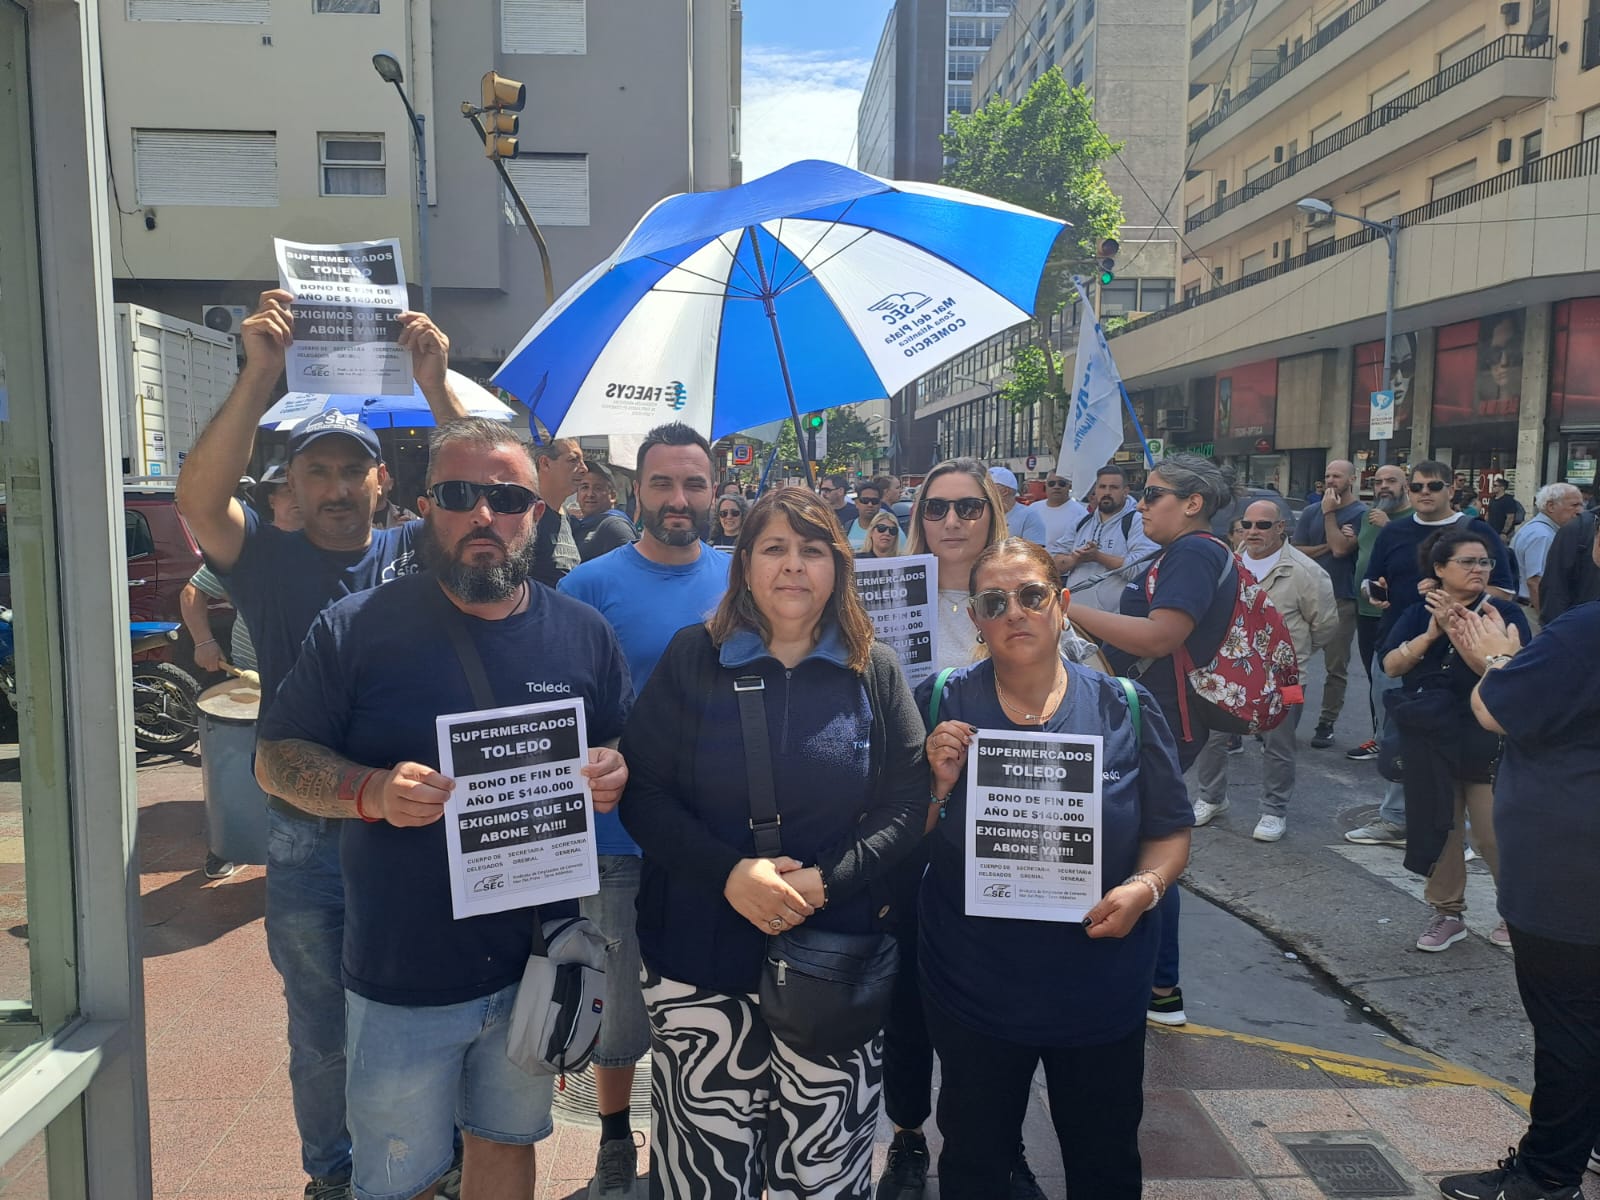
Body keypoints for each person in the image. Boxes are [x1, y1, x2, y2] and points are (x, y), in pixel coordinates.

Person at [255, 419, 632, 1200]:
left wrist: (613, 767)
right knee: (399, 1177)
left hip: (536, 957)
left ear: (536, 511)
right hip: (405, 969)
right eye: (460, 495)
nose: (484, 514)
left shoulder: (583, 633)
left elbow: (616, 741)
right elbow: (276, 759)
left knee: (507, 1145)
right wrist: (370, 792)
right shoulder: (358, 628)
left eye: (508, 497)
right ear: (426, 506)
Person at [174, 289, 466, 1200]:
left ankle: (436, 1165)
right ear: (292, 488)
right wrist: (258, 372)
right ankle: (334, 1176)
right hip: (308, 833)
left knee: (440, 1006)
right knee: (321, 1027)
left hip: (418, 823)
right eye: (318, 472)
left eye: (353, 471)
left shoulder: (418, 551)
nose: (338, 487)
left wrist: (437, 382)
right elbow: (196, 499)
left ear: (381, 481)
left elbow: (489, 493)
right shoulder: (264, 558)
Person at [617, 487, 928, 1200]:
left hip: (835, 963)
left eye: (812, 550)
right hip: (700, 962)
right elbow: (645, 793)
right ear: (745, 565)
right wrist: (729, 873)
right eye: (775, 548)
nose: (793, 566)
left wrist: (828, 880)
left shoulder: (873, 668)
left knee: (823, 1173)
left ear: (838, 566)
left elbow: (907, 803)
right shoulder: (693, 656)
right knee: (705, 1173)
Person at [917, 538, 1192, 1199]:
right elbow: (904, 838)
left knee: (1105, 1161)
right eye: (994, 602)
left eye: (1032, 596)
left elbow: (1169, 831)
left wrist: (1145, 887)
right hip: (976, 985)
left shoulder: (1123, 704)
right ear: (975, 619)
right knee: (975, 1160)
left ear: (1062, 605)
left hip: (1098, 986)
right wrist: (935, 786)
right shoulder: (941, 702)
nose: (1015, 612)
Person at [558, 422, 730, 1200]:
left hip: (714, 836)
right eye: (663, 483)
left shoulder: (745, 578)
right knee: (620, 1003)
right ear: (639, 492)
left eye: (693, 483)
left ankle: (686, 1139)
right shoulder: (588, 587)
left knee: (701, 1000)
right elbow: (560, 708)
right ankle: (613, 1138)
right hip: (616, 837)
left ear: (715, 492)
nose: (678, 498)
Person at [1433, 577, 1600, 1200]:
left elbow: (1495, 708)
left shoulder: (1586, 629)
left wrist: (1498, 661)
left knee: (1569, 1025)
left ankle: (1546, 1177)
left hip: (1571, 866)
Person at [878, 457, 1014, 1200]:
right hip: (908, 821)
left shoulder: (1016, 595)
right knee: (906, 990)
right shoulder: (882, 596)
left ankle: (998, 1139)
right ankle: (906, 1133)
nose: (952, 521)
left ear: (992, 513)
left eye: (968, 507)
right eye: (936, 508)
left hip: (998, 823)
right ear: (917, 517)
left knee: (995, 990)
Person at [1071, 453, 1244, 1029]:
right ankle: (1157, 983)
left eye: (1152, 494)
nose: (1140, 504)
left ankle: (1160, 985)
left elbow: (1160, 636)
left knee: (1147, 847)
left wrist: (1068, 608)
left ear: (1193, 504)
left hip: (1162, 718)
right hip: (1159, 713)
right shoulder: (1187, 551)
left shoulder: (1194, 552)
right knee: (1143, 840)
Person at [1348, 461, 1515, 848]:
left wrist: (1451, 590)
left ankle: (1462, 831)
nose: (1424, 493)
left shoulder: (1476, 532)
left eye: (1434, 486)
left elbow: (1506, 591)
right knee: (1397, 733)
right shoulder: (1394, 531)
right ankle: (1396, 818)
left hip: (1463, 652)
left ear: (1451, 489)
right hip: (1399, 644)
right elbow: (1371, 581)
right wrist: (1374, 592)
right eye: (1417, 486)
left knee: (1461, 739)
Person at [1378, 527, 1529, 953]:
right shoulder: (1416, 611)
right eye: (1468, 562)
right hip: (1430, 735)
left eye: (1485, 562)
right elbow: (1390, 665)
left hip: (1484, 735)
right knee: (1438, 828)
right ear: (1440, 569)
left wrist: (1460, 631)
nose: (1478, 569)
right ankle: (1447, 912)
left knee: (1492, 833)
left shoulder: (1503, 614)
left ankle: (1515, 913)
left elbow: (1509, 674)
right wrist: (1430, 634)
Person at [180, 463, 303, 879]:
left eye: (300, 488)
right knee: (238, 769)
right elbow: (193, 592)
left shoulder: (326, 545)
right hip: (253, 680)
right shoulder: (249, 549)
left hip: (308, 684)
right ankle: (229, 842)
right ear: (271, 499)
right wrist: (203, 641)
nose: (296, 498)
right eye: (286, 490)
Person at [1193, 499, 1336, 841]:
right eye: (1247, 524)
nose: (1253, 531)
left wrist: (1293, 655)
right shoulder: (1228, 564)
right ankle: (1211, 798)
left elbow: (1326, 626)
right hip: (1225, 671)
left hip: (1285, 677)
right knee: (1212, 739)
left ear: (1281, 528)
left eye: (1263, 525)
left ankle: (1274, 810)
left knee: (1279, 746)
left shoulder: (1306, 572)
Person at [1291, 460, 1366, 750]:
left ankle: (1326, 723)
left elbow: (1340, 550)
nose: (1331, 480)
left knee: (1336, 667)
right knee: (1291, 663)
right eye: (1327, 475)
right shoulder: (1311, 511)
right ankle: (1285, 721)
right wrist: (1327, 544)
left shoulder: (1360, 513)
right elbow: (1297, 551)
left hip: (1340, 598)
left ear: (1352, 479)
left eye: (1337, 476)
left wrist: (1329, 514)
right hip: (1304, 597)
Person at [1345, 463, 1410, 764]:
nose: (1384, 486)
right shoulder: (1367, 517)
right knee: (1375, 678)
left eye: (1391, 481)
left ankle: (1399, 743)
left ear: (1405, 485)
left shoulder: (1413, 518)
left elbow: (1419, 555)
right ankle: (1379, 737)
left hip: (1399, 613)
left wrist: (1389, 527)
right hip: (1366, 609)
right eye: (1378, 481)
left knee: (1396, 678)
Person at [1053, 464, 1159, 614]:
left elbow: (1141, 571)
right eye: (1102, 487)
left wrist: (1098, 557)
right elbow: (1053, 566)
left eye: (1114, 487)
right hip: (1074, 616)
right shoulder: (1081, 522)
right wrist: (1075, 559)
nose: (1107, 492)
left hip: (1115, 620)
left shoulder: (1138, 522)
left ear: (1125, 491)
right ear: (1095, 490)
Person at [1510, 483, 1583, 623]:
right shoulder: (1543, 535)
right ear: (1551, 506)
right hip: (1533, 612)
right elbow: (1535, 582)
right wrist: (1549, 622)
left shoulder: (1538, 529)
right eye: (1574, 505)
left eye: (1581, 505)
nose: (1580, 511)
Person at [530, 437, 587, 586]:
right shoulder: (525, 516)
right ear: (545, 463)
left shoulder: (565, 517)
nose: (584, 469)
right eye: (573, 460)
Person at [1536, 502, 1600, 624]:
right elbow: (1555, 586)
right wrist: (1557, 628)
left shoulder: (1579, 527)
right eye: (1574, 505)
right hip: (1583, 624)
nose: (1578, 509)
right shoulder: (1579, 528)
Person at [572, 462, 638, 562]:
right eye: (585, 487)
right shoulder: (580, 525)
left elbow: (630, 566)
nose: (590, 494)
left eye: (598, 488)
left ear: (613, 496)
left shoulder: (615, 526)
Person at [989, 466, 1046, 545]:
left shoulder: (1029, 516)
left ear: (1004, 491)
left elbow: (1035, 551)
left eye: (989, 487)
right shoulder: (982, 515)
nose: (983, 491)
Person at [1035, 472, 1088, 553]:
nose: (1056, 487)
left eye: (1061, 483)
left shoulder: (1081, 514)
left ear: (1069, 486)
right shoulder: (1033, 509)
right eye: (1052, 484)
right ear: (1045, 486)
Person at [845, 478, 887, 551]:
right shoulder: (846, 529)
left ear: (880, 504)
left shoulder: (891, 530)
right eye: (865, 500)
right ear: (857, 503)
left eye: (874, 501)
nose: (870, 504)